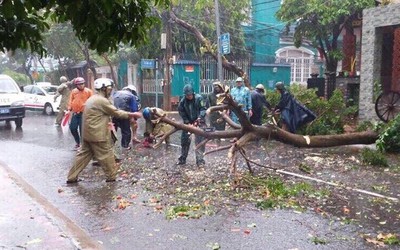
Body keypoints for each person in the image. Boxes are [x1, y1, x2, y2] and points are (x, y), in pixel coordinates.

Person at [66, 78, 142, 184]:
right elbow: (116, 113)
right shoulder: (101, 101)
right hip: (97, 134)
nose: (110, 91)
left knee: (83, 156)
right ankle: (111, 177)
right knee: (107, 155)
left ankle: (71, 177)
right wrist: (133, 114)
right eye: (109, 88)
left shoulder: (93, 98)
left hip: (88, 133)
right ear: (104, 88)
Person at [177, 84, 207, 166]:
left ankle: (200, 160)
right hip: (188, 123)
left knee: (199, 141)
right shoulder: (182, 102)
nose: (189, 96)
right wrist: (187, 122)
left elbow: (203, 109)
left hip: (199, 122)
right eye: (187, 95)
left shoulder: (199, 98)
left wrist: (200, 118)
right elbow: (181, 111)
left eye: (190, 95)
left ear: (193, 93)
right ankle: (182, 159)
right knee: (184, 140)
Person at [67, 77, 93, 150]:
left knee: (82, 130)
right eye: (79, 84)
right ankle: (77, 142)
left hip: (84, 113)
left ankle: (83, 145)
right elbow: (70, 101)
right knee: (72, 128)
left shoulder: (89, 91)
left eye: (82, 84)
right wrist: (69, 109)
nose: (81, 85)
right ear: (76, 85)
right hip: (75, 113)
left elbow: (92, 102)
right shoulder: (73, 91)